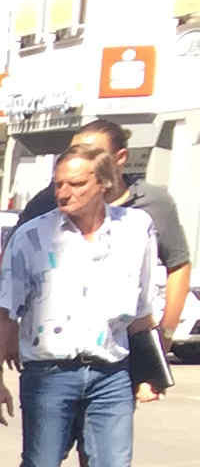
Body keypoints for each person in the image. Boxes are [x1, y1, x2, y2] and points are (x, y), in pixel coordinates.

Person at [0, 152, 164, 467]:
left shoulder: (136, 229)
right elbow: (2, 311)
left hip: (111, 375)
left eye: (76, 184)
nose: (64, 192)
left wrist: (150, 374)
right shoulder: (32, 236)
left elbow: (142, 310)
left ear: (105, 184)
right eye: (58, 183)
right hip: (49, 374)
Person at [13, 119, 189, 352]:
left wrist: (165, 332)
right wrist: (11, 327)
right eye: (75, 151)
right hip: (61, 347)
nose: (81, 160)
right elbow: (9, 266)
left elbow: (178, 266)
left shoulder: (152, 205)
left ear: (120, 157)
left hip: (130, 340)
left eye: (92, 154)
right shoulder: (49, 201)